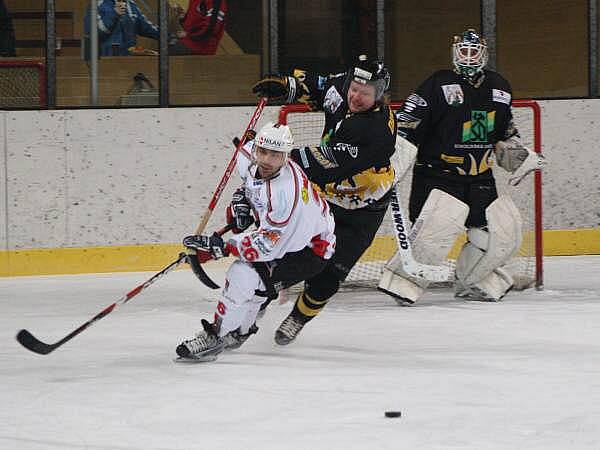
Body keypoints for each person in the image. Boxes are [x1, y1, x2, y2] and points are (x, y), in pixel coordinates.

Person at [377, 29, 545, 305]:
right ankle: (403, 282)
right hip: (438, 175)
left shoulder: (499, 88)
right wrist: (391, 161)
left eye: (473, 52)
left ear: (484, 54)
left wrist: (517, 155)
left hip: (480, 177)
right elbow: (406, 125)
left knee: (494, 236)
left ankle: (472, 280)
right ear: (455, 54)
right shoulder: (436, 85)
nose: (468, 58)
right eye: (463, 52)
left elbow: (504, 132)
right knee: (434, 233)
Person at [252, 54, 397, 345]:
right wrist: (286, 85)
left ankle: (298, 318)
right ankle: (255, 298)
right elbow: (318, 87)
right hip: (325, 199)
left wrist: (274, 157)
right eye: (354, 88)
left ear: (379, 95)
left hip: (362, 210)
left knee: (329, 275)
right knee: (289, 253)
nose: (355, 96)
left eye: (365, 94)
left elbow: (324, 164)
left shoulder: (376, 130)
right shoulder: (344, 87)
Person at [175, 122, 336, 361]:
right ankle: (240, 331)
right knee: (256, 286)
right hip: (289, 237)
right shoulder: (251, 158)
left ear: (287, 156)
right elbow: (249, 185)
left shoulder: (286, 196)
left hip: (309, 249)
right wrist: (241, 203)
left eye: (275, 155)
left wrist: (223, 248)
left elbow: (269, 245)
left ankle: (215, 336)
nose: (267, 160)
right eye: (263, 152)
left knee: (244, 276)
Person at [84, 0, 159, 57]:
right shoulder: (97, 4)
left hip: (129, 60)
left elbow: (147, 28)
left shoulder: (131, 5)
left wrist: (167, 36)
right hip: (105, 60)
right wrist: (114, 14)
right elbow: (94, 32)